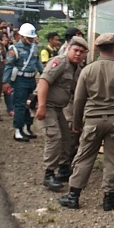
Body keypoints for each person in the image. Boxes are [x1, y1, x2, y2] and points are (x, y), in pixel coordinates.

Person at [58, 33, 114, 211]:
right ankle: (108, 199)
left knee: (84, 156)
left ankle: (74, 195)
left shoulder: (87, 70)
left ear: (97, 49)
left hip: (93, 120)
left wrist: (76, 123)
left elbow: (78, 100)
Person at [35, 36, 89, 191]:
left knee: (67, 137)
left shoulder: (76, 69)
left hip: (59, 108)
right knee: (54, 137)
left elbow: (77, 91)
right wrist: (42, 106)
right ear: (69, 49)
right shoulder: (59, 62)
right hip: (48, 106)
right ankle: (49, 173)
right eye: (75, 50)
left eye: (81, 51)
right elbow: (44, 81)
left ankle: (64, 169)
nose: (78, 54)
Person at [3, 23, 43, 142]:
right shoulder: (14, 49)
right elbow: (9, 66)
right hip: (20, 79)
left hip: (31, 79)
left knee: (30, 104)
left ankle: (27, 127)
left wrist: (44, 74)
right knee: (20, 105)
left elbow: (37, 62)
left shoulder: (34, 47)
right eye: (29, 37)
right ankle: (18, 130)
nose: (31, 39)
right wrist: (5, 81)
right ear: (21, 36)